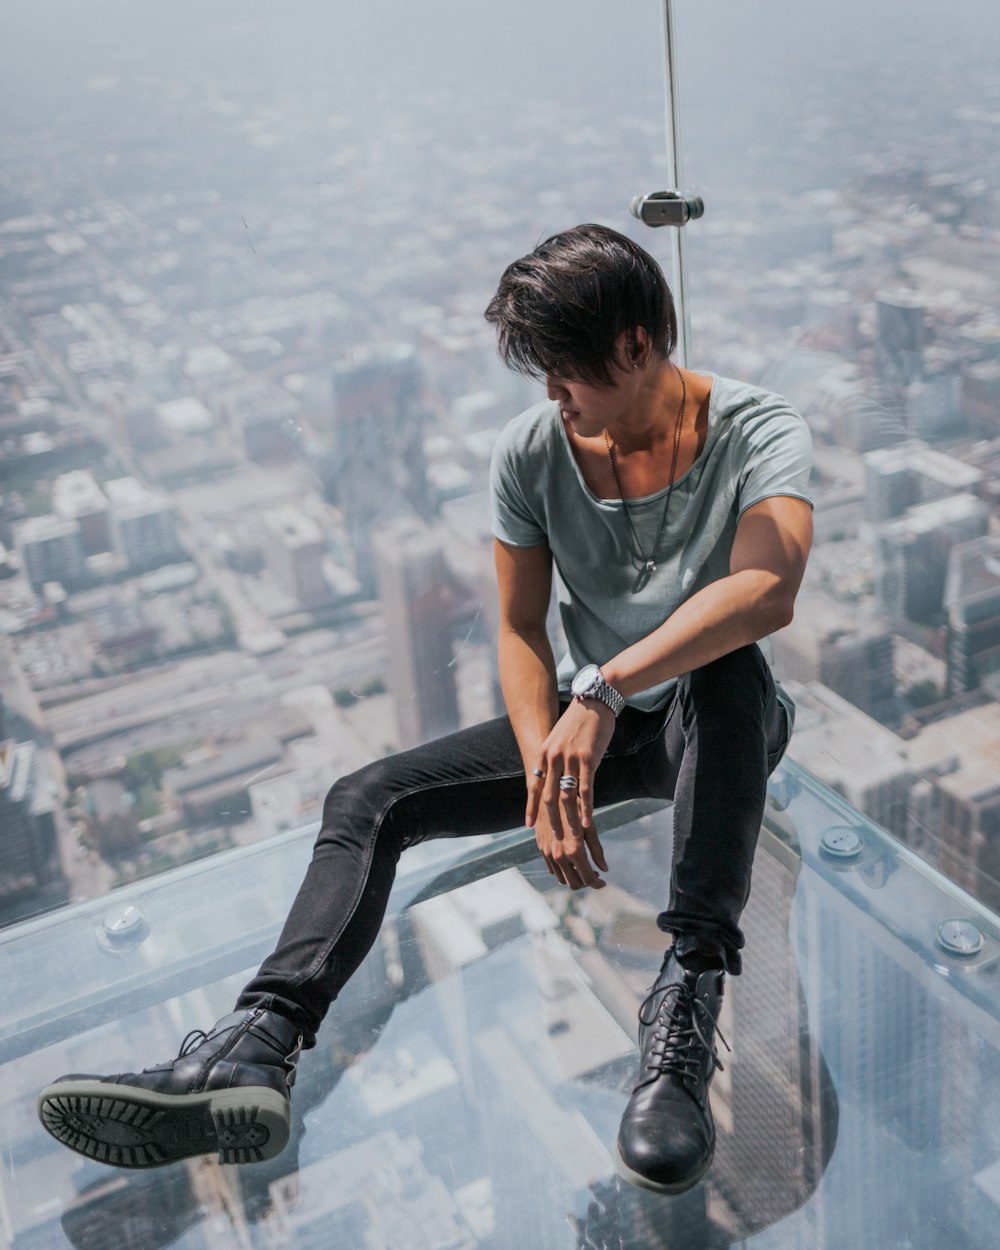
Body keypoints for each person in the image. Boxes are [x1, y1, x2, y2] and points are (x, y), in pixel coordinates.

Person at [38, 223, 813, 1194]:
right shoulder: (531, 452)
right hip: (597, 728)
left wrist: (603, 686)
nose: (547, 394)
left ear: (633, 345)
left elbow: (767, 588)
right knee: (367, 796)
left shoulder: (758, 426)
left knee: (729, 663)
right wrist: (547, 764)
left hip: (719, 727)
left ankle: (684, 1018)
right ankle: (256, 1039)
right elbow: (521, 628)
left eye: (560, 369)